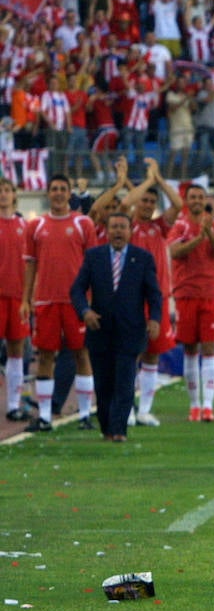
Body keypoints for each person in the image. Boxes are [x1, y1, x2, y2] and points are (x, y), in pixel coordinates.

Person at [69, 211, 161, 443]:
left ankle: (119, 430)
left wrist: (155, 319)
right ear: (107, 231)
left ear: (130, 231)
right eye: (114, 227)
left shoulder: (143, 258)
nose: (118, 231)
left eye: (123, 227)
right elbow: (77, 290)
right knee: (103, 383)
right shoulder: (94, 257)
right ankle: (107, 428)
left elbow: (154, 294)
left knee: (125, 380)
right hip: (100, 329)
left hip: (130, 330)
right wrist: (85, 311)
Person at [22, 175, 100, 432]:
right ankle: (45, 416)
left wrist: (93, 301)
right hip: (45, 300)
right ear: (48, 193)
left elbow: (93, 266)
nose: (57, 193)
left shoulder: (83, 224)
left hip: (76, 302)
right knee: (45, 356)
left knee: (81, 354)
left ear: (69, 194)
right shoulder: (36, 226)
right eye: (53, 189)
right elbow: (30, 264)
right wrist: (26, 299)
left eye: (62, 189)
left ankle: (85, 415)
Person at [122, 158, 182, 425]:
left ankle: (145, 409)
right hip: (131, 298)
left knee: (152, 353)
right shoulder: (126, 226)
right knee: (129, 353)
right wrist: (147, 181)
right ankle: (128, 408)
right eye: (143, 200)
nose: (147, 205)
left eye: (151, 201)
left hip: (158, 298)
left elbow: (178, 205)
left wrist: (159, 180)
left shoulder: (160, 226)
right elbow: (124, 204)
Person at [168, 183, 214, 422]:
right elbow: (175, 252)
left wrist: (209, 233)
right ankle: (194, 406)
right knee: (189, 349)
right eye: (192, 197)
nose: (196, 201)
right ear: (186, 200)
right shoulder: (180, 225)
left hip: (211, 293)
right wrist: (198, 237)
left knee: (209, 348)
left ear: (205, 199)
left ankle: (208, 406)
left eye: (200, 197)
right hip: (186, 293)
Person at [0, 178, 30, 422]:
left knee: (16, 350)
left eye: (7, 190)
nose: (3, 194)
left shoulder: (24, 226)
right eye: (0, 191)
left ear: (14, 195)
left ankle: (12, 405)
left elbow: (31, 264)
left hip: (18, 298)